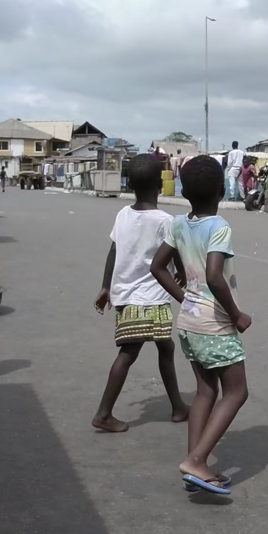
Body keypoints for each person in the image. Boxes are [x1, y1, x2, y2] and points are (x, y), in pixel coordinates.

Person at [150, 155, 252, 495]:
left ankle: (195, 464)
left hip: (189, 321)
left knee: (206, 391)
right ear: (222, 191)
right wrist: (236, 314)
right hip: (214, 323)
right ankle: (196, 461)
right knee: (236, 391)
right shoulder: (219, 226)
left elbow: (158, 267)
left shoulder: (178, 224)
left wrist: (184, 298)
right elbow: (214, 276)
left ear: (184, 191)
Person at [92, 155, 188, 432]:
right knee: (129, 353)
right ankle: (103, 413)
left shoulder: (123, 214)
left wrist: (106, 286)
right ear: (160, 185)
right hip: (150, 298)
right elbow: (175, 253)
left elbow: (113, 250)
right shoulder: (166, 221)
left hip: (126, 295)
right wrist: (182, 273)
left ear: (130, 185)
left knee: (165, 347)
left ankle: (178, 407)